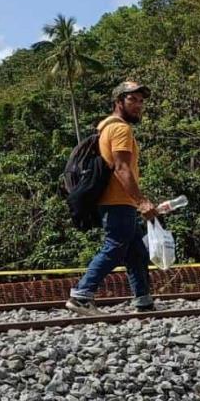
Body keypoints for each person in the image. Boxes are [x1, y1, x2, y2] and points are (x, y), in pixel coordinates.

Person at [67, 81, 160, 314]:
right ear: (118, 102)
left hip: (116, 202)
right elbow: (121, 168)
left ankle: (143, 300)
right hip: (118, 202)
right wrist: (142, 201)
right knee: (115, 247)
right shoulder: (120, 129)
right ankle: (81, 295)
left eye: (140, 101)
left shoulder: (105, 128)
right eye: (132, 100)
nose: (138, 105)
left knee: (135, 251)